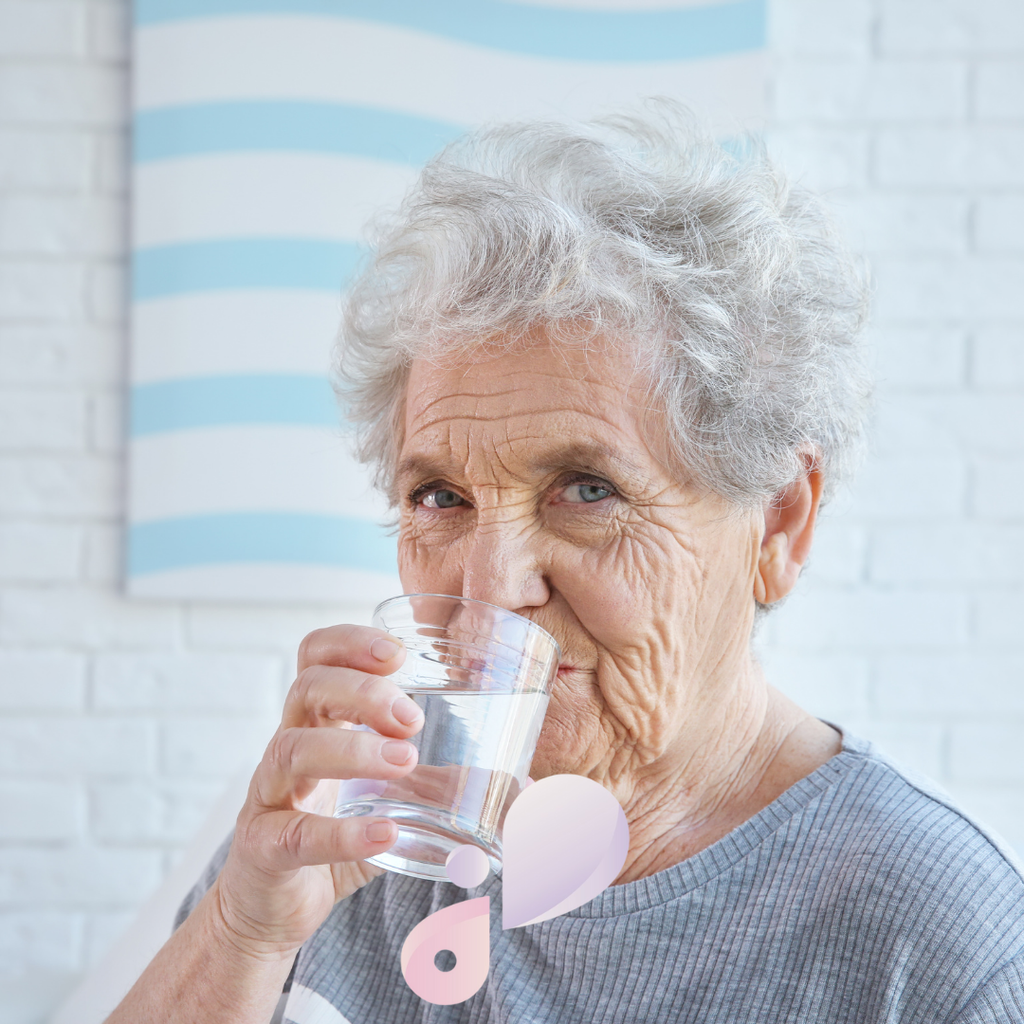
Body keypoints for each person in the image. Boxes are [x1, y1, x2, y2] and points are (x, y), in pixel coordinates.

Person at [107, 104, 1024, 1024]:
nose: (487, 595)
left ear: (779, 522)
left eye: (587, 490)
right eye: (441, 497)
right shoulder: (359, 827)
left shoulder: (941, 941)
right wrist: (241, 931)